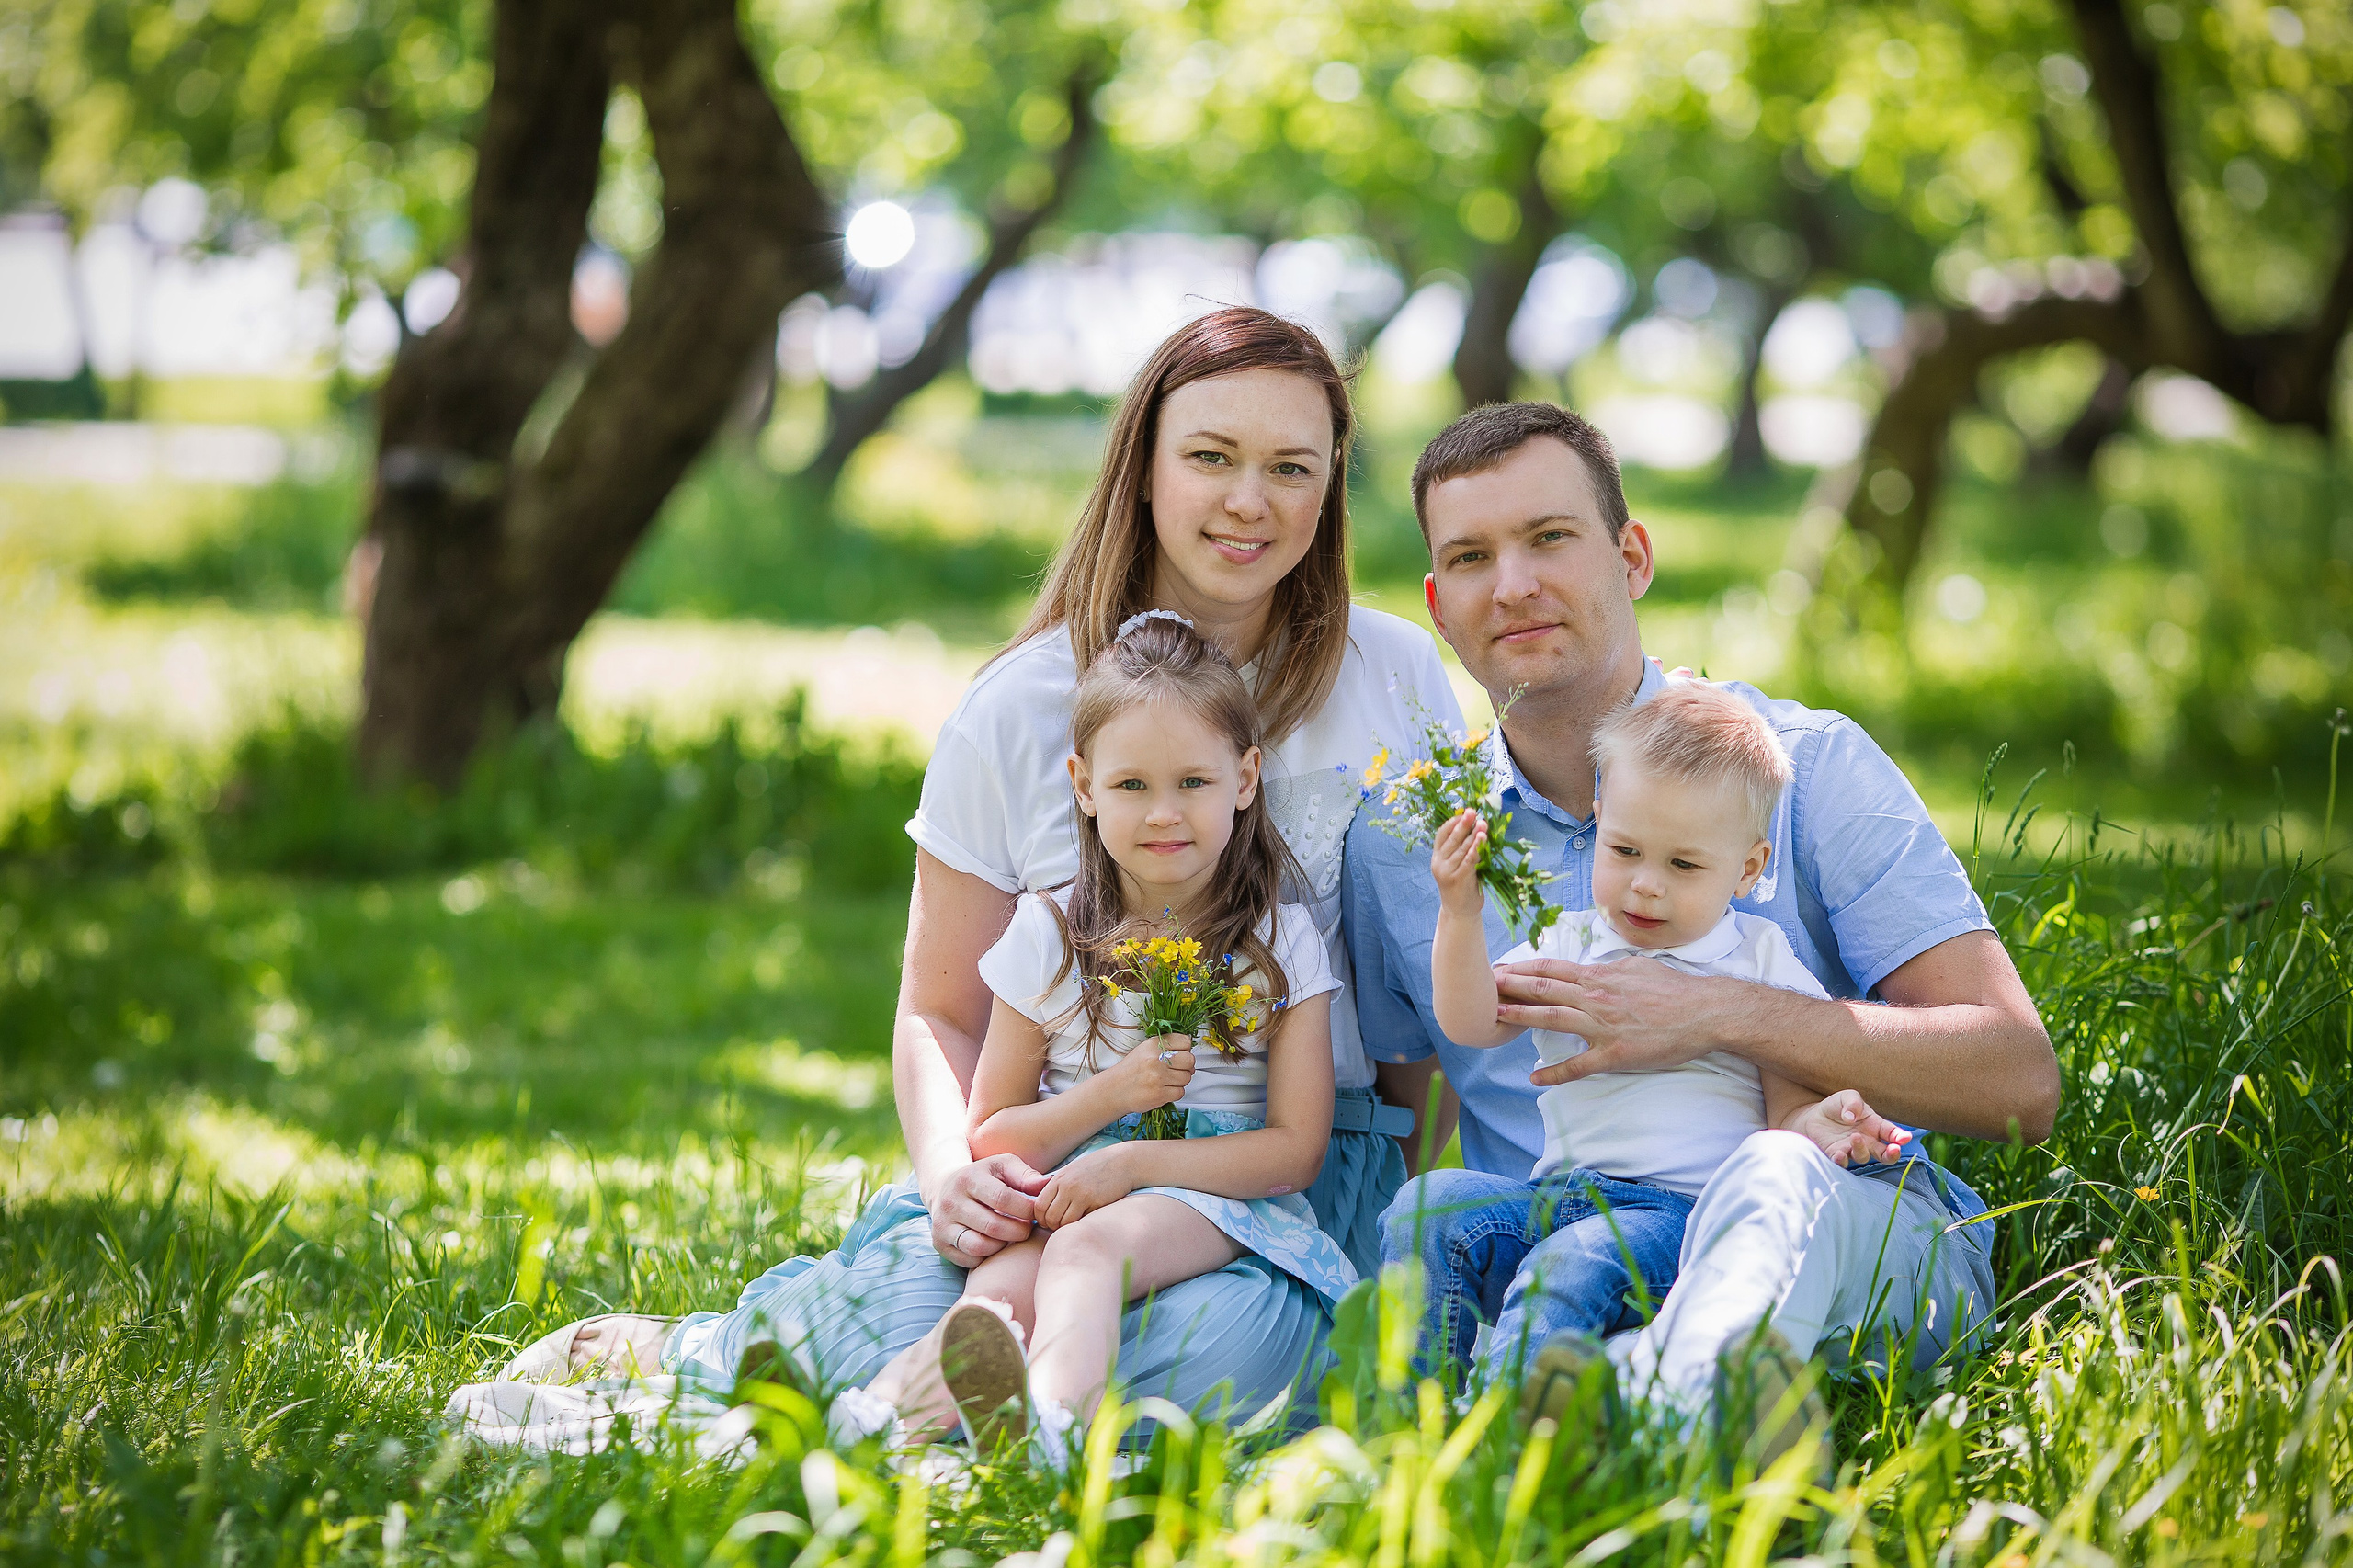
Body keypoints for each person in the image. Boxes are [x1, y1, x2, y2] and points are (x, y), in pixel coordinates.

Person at [505, 308, 1455, 1429]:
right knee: (919, 1308)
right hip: (1056, 1161)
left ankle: (972, 1401)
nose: (1250, 501)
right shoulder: (1020, 706)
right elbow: (941, 1009)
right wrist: (960, 1177)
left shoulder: (1393, 674)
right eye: (1209, 457)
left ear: (1331, 486)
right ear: (1142, 469)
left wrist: (1409, 1210)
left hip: (1285, 1173)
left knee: (1224, 1355)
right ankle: (719, 1349)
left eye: (1291, 468)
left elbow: (1422, 992)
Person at [1354, 402, 2057, 1456]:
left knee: (1773, 1175)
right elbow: (1395, 1130)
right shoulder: (1407, 842)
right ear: (1437, 607)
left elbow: (2017, 1082)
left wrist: (1719, 1012)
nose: (1513, 585)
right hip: (1562, 1249)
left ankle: (1652, 1411)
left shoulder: (1802, 769)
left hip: (1834, 1229)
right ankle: (1534, 1426)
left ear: (1632, 556)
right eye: (1470, 557)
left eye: (1550, 538)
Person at [825, 615, 1357, 1462]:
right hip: (1068, 1173)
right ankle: (883, 1428)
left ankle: (1051, 1446)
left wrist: (1134, 1161)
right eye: (1132, 785)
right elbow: (993, 1132)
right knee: (997, 1287)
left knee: (1085, 1251)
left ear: (1246, 777)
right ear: (1082, 785)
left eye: (1193, 781)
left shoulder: (1279, 941)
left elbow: (1294, 1151)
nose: (1164, 813)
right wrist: (1111, 1098)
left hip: (1211, 1191)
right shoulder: (1048, 931)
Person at [1408, 679, 1910, 1401]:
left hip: (1681, 1215)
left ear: (1748, 867)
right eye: (1626, 849)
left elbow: (1787, 1106)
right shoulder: (1572, 943)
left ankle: (1505, 1443)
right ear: (1599, 816)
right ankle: (1410, 1417)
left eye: (1683, 864)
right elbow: (1470, 1019)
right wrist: (1460, 913)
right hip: (1558, 1194)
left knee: (1570, 1265)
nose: (1646, 886)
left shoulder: (1757, 963)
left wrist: (1825, 1125)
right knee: (1430, 1209)